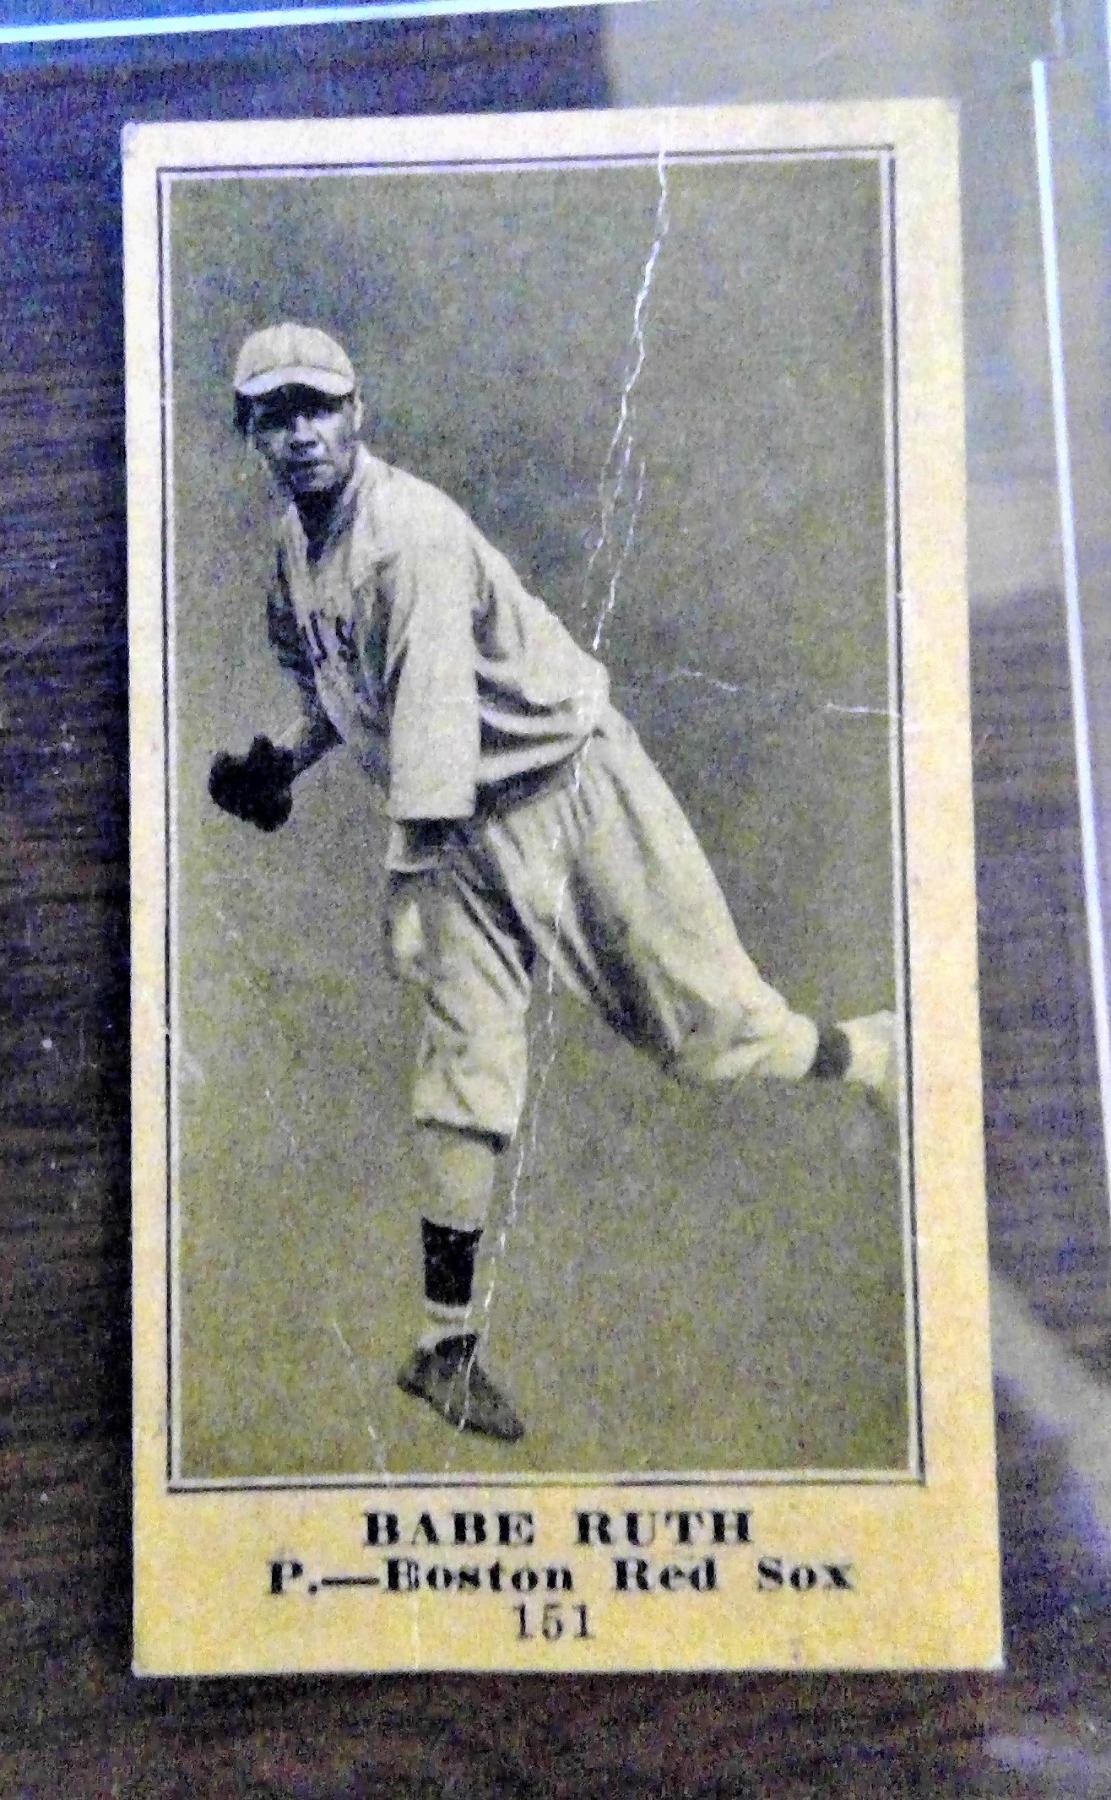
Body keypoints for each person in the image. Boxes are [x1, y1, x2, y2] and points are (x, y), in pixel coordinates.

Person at [210, 321, 898, 1444]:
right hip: (457, 826)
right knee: (462, 1075)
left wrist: (407, 893)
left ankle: (872, 1055)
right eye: (274, 415)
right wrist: (284, 761)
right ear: (250, 434)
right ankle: (444, 1348)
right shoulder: (294, 550)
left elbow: (431, 743)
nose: (300, 434)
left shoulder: (408, 538)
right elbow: (354, 694)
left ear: (356, 414)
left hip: (569, 793)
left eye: (317, 407)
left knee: (710, 1034)